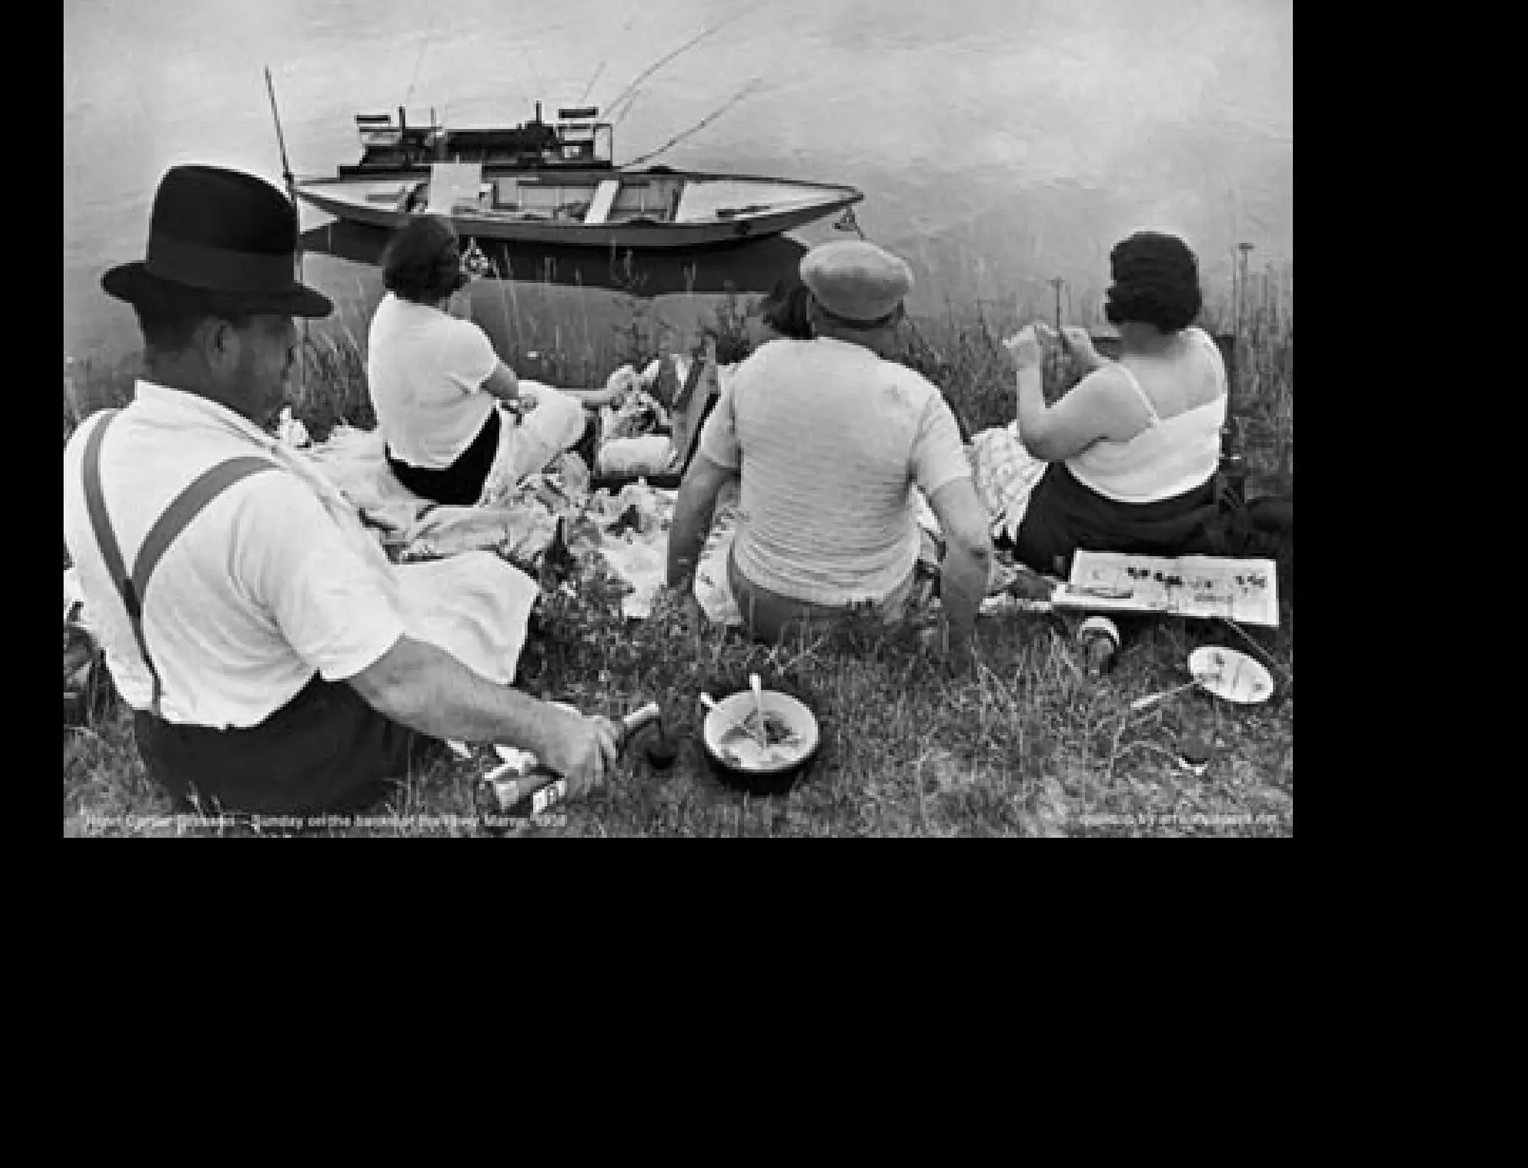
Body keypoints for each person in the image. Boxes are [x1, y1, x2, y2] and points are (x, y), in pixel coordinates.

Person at [61, 167, 617, 819]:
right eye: (280, 329)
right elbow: (398, 682)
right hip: (288, 765)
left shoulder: (86, 447)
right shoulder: (263, 502)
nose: (295, 351)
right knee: (477, 600)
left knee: (441, 593)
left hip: (165, 749)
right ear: (220, 341)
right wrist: (552, 728)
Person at [663, 240, 993, 656]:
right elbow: (974, 544)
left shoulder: (756, 369)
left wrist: (678, 600)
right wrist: (956, 644)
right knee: (925, 537)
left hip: (757, 604)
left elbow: (697, 489)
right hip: (868, 619)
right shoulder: (917, 400)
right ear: (895, 320)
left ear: (811, 310)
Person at [1003, 230, 1228, 576]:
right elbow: (1147, 402)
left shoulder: (1109, 391)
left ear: (1123, 300)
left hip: (1099, 535)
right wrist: (1090, 359)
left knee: (997, 448)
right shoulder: (1206, 351)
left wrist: (1027, 367)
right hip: (1181, 517)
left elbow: (1038, 439)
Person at [367, 217, 552, 507]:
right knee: (551, 411)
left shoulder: (387, 310)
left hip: (404, 465)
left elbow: (453, 350)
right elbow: (510, 387)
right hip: (456, 479)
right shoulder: (460, 340)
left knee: (472, 381)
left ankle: (600, 396)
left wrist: (459, 287)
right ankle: (599, 402)